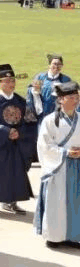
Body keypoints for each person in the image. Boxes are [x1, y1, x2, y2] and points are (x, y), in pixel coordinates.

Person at [0, 64, 36, 215]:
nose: (11, 83)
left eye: (13, 80)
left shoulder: (21, 102)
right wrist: (5, 131)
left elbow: (31, 122)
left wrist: (19, 133)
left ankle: (11, 202)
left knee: (16, 172)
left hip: (17, 144)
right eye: (7, 81)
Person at [33, 80, 80, 249]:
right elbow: (44, 145)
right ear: (61, 99)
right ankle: (54, 236)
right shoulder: (50, 120)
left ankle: (74, 236)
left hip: (77, 167)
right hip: (57, 168)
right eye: (71, 97)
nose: (75, 100)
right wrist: (66, 152)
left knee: (76, 202)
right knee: (56, 201)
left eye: (77, 97)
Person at [28, 54, 71, 124]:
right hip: (43, 115)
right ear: (49, 65)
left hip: (60, 116)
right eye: (54, 64)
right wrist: (34, 90)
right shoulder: (40, 77)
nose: (56, 66)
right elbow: (31, 94)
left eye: (59, 64)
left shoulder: (66, 80)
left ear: (62, 66)